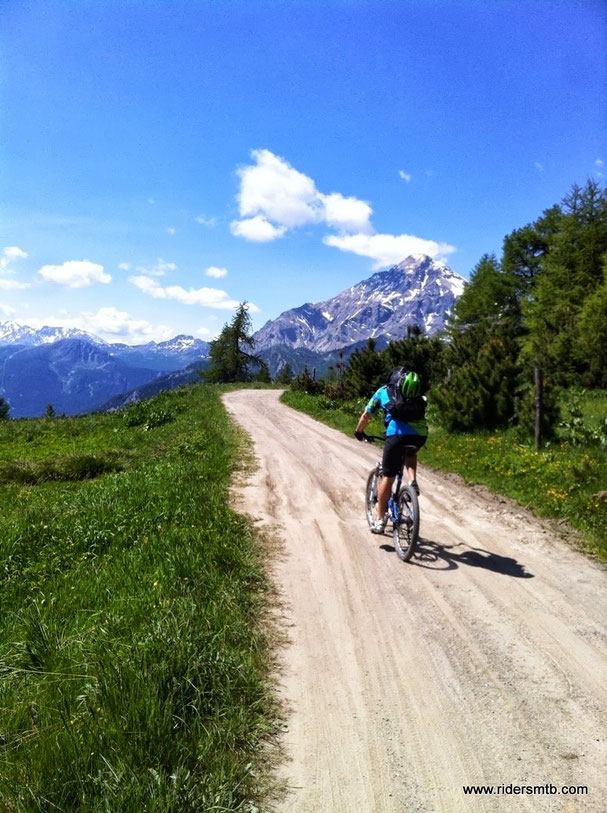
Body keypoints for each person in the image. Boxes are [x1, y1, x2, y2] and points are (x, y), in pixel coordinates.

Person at [354, 368, 428, 534]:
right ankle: (412, 482)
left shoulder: (384, 391)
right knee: (410, 452)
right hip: (420, 436)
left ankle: (380, 520)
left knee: (388, 476)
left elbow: (366, 414)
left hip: (396, 436)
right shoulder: (416, 396)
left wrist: (359, 431)